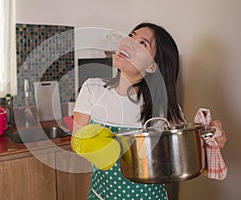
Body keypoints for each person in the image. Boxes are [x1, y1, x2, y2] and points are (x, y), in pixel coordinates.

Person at [72, 22, 227, 200]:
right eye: (131, 36)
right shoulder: (93, 88)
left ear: (152, 66)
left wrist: (213, 141)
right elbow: (76, 142)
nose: (128, 42)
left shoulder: (164, 107)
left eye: (142, 43)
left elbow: (191, 163)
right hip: (101, 196)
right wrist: (98, 145)